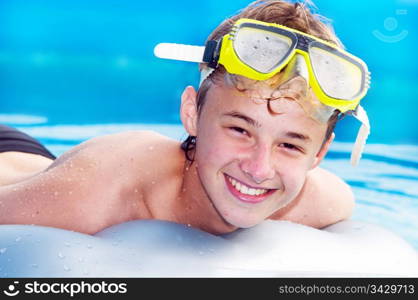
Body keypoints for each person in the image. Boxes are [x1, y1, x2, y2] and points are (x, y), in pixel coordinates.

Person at [0, 0, 370, 235]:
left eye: (290, 144)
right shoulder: (103, 189)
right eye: (240, 129)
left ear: (320, 154)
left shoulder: (325, 204)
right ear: (192, 113)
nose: (259, 169)